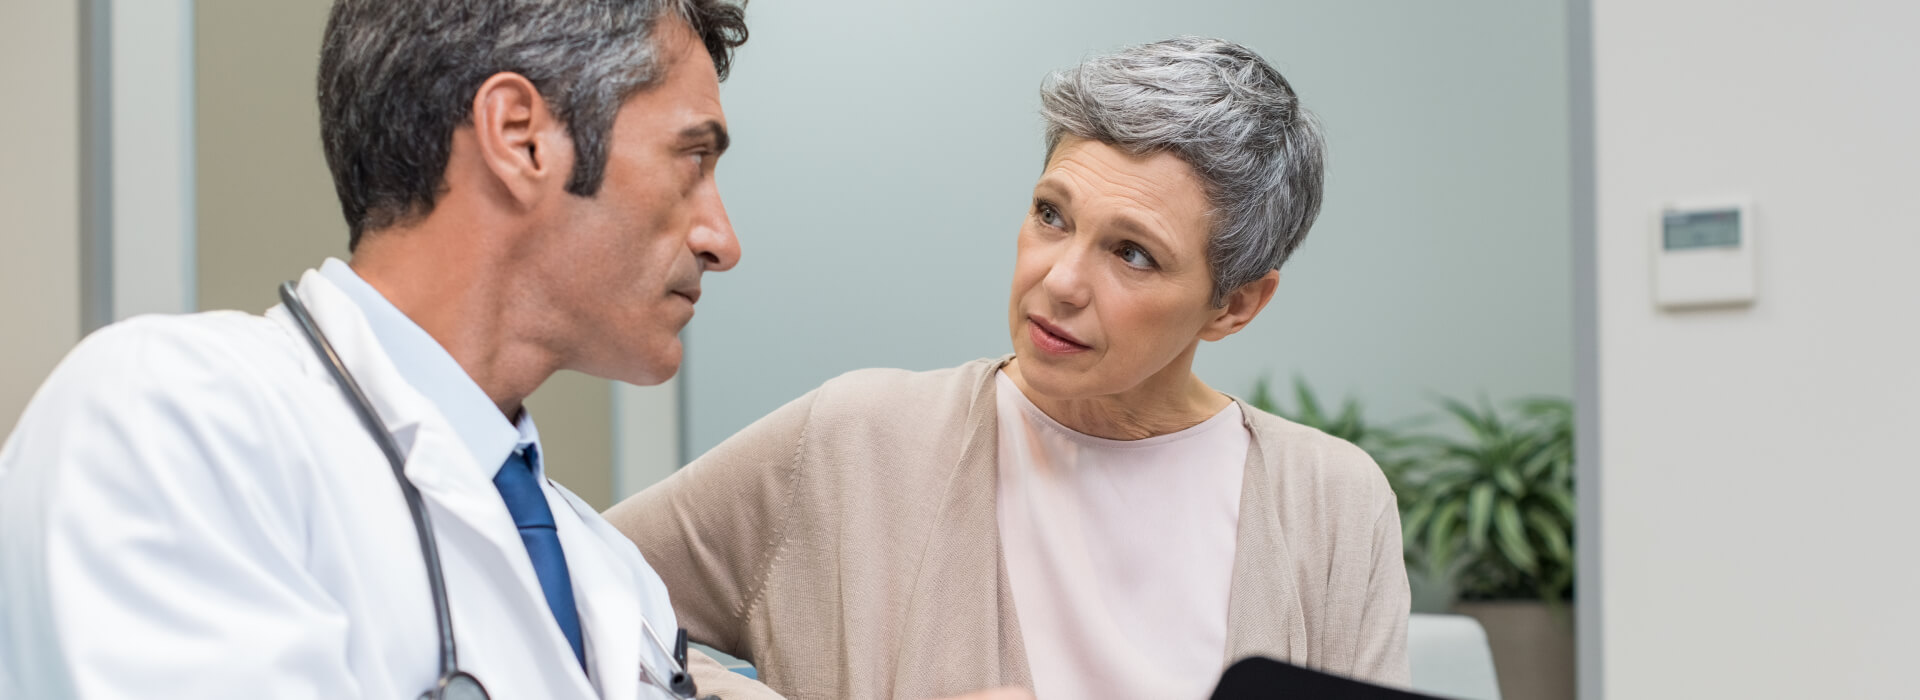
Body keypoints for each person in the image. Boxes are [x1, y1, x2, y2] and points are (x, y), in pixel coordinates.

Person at [606, 36, 1411, 700]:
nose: (1058, 281)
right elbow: (563, 591)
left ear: (1234, 306)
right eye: (1051, 215)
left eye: (1132, 254)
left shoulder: (1331, 504)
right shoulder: (855, 441)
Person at [0, 1, 749, 697]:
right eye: (692, 160)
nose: (723, 241)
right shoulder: (174, 422)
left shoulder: (614, 580)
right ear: (520, 135)